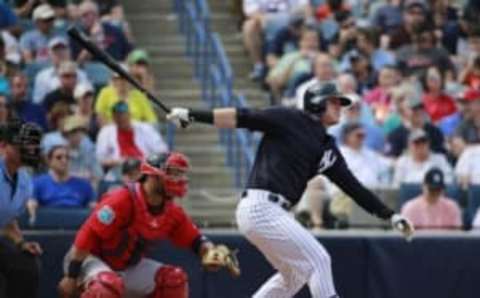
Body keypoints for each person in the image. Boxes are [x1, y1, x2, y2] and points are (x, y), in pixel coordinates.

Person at [166, 82, 414, 298]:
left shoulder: (326, 146)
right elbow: (243, 117)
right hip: (261, 206)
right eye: (334, 102)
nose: (340, 107)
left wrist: (390, 215)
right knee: (319, 259)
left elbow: (354, 187)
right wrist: (192, 114)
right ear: (317, 103)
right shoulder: (290, 118)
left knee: (296, 275)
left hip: (275, 212)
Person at [57, 153, 239, 298]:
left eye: (180, 174)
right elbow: (87, 236)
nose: (179, 179)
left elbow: (196, 240)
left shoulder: (171, 210)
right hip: (88, 259)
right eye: (173, 173)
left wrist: (209, 252)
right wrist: (71, 276)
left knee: (174, 279)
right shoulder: (122, 199)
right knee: (107, 286)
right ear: (153, 175)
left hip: (127, 266)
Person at [0, 120, 43, 298]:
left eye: (31, 145)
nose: (28, 149)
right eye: (22, 144)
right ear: (4, 146)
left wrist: (21, 243)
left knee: (26, 265)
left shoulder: (25, 180)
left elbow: (7, 221)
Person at [95, 101, 167, 180]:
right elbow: (99, 159)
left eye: (123, 115)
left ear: (129, 114)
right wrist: (116, 162)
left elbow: (162, 150)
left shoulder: (145, 128)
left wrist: (145, 161)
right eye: (118, 116)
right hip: (119, 171)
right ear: (113, 117)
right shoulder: (106, 132)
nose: (121, 118)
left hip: (144, 169)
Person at [30, 145, 96, 210]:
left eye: (67, 157)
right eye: (59, 157)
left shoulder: (84, 185)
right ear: (49, 161)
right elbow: (31, 202)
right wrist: (31, 203)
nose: (64, 160)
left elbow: (92, 207)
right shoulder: (38, 183)